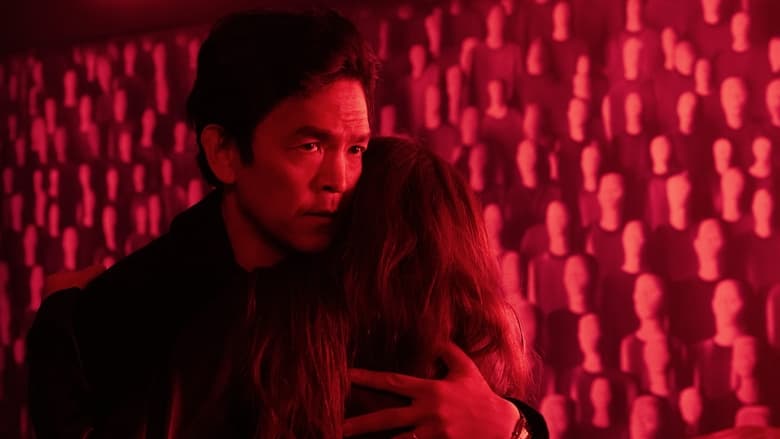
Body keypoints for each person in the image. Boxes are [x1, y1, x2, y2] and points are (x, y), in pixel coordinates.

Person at [26, 9, 545, 439]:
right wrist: (58, 328)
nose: (339, 180)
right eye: (310, 146)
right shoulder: (143, 307)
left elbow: (459, 390)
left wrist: (515, 429)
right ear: (224, 153)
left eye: (356, 149)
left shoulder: (362, 254)